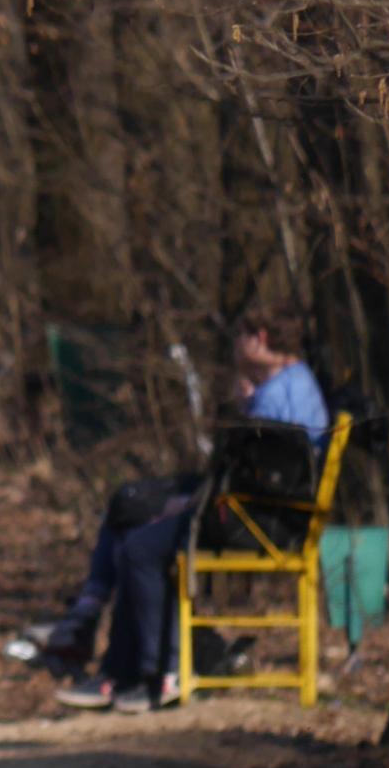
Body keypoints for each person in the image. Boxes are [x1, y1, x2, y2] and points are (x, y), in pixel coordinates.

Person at [35, 306, 331, 713]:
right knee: (130, 515)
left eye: (240, 338)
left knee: (139, 547)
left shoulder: (281, 394)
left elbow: (257, 473)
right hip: (256, 512)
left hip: (258, 521)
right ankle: (116, 670)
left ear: (259, 339)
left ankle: (159, 672)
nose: (235, 347)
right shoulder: (287, 386)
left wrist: (193, 503)